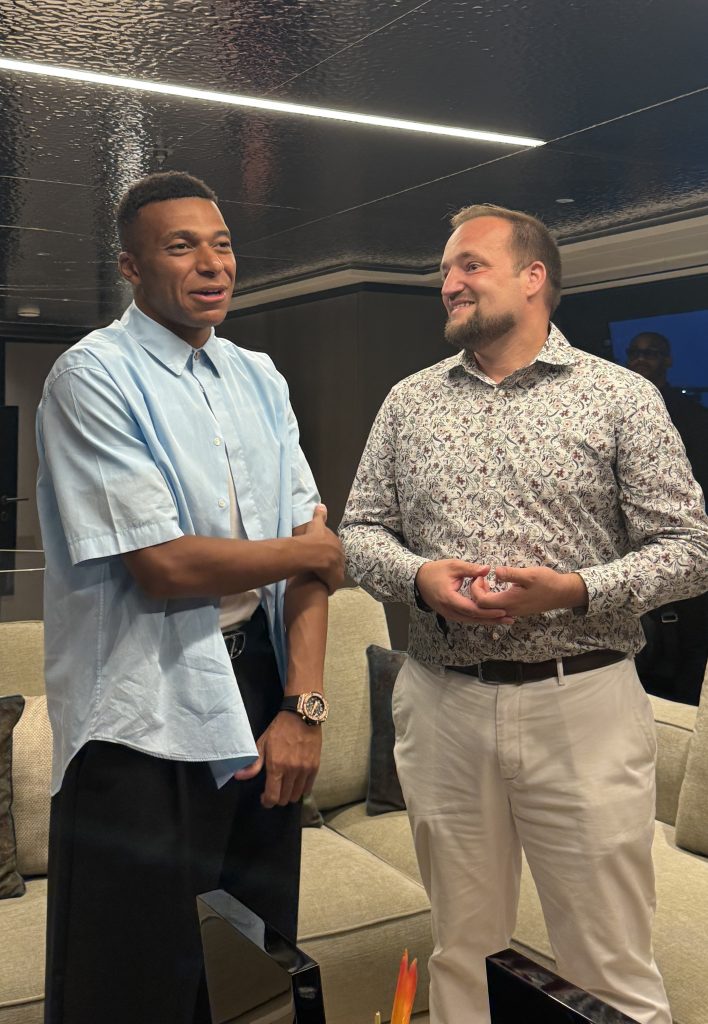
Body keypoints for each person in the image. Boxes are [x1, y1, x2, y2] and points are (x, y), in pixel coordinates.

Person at [340, 204, 708, 1024]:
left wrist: (574, 590)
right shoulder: (409, 403)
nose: (449, 283)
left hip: (581, 702)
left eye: (469, 265)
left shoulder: (619, 398)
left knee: (608, 960)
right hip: (441, 701)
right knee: (461, 948)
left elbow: (690, 549)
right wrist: (420, 576)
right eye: (445, 270)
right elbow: (358, 534)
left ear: (534, 276)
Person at [36, 171, 344, 1024]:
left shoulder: (260, 377)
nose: (212, 264)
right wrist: (306, 549)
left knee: (253, 970)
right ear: (132, 267)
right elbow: (164, 565)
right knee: (129, 980)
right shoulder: (92, 376)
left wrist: (303, 707)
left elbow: (310, 567)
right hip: (143, 711)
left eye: (222, 244)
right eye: (181, 247)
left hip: (262, 688)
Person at [626, 331, 708, 703]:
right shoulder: (616, 406)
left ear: (668, 359)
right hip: (630, 545)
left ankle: (687, 712)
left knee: (692, 638)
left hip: (684, 538)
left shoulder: (691, 414)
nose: (642, 358)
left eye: (652, 352)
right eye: (635, 352)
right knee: (641, 639)